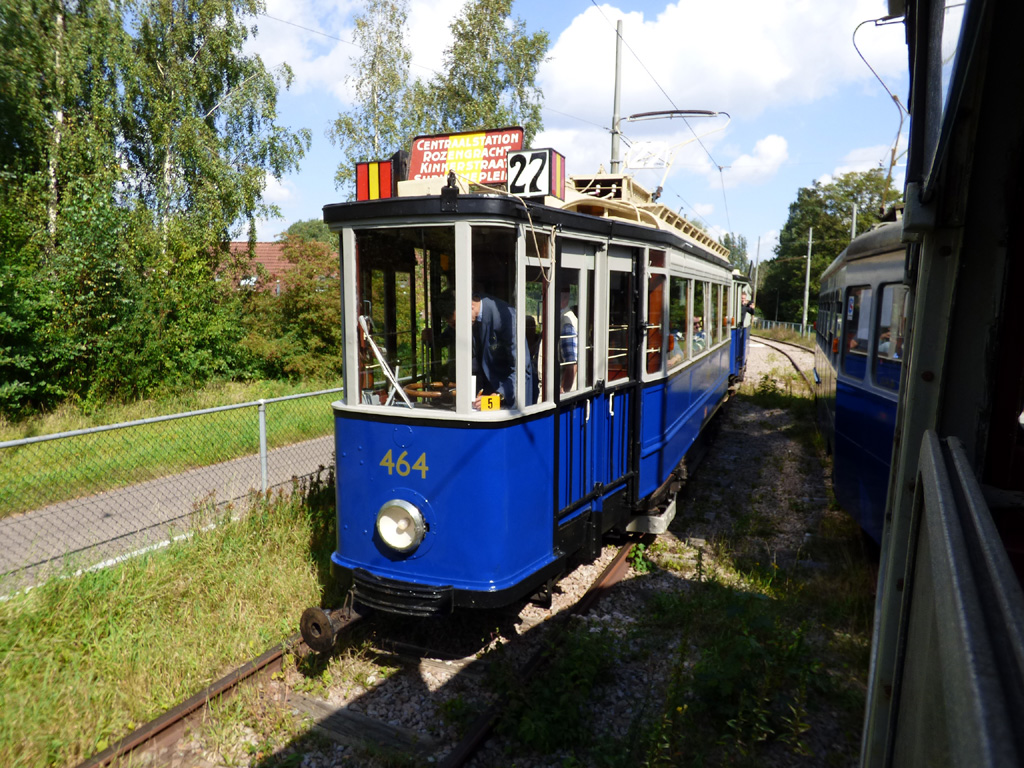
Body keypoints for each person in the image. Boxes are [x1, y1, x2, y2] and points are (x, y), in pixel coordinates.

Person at [439, 289, 535, 409]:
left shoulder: (506, 317)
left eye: (456, 323)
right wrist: (433, 338)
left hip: (512, 398)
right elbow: (447, 336)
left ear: (470, 305)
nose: (456, 328)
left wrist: (498, 396)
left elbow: (521, 369)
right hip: (483, 392)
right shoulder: (465, 318)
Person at [559, 288, 578, 393]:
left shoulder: (566, 321)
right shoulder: (561, 318)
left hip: (558, 392)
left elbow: (571, 363)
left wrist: (563, 391)